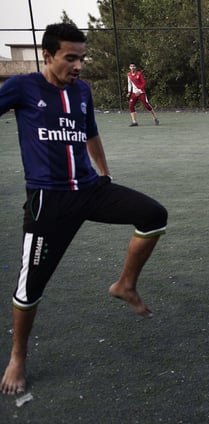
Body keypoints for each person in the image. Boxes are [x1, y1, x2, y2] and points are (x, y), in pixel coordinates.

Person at [0, 23, 168, 395]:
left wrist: (105, 174)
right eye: (70, 58)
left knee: (154, 215)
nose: (78, 65)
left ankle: (125, 284)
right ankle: (18, 356)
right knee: (30, 287)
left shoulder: (81, 91)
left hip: (90, 189)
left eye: (82, 58)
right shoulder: (23, 87)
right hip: (50, 201)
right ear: (48, 56)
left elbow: (90, 132)